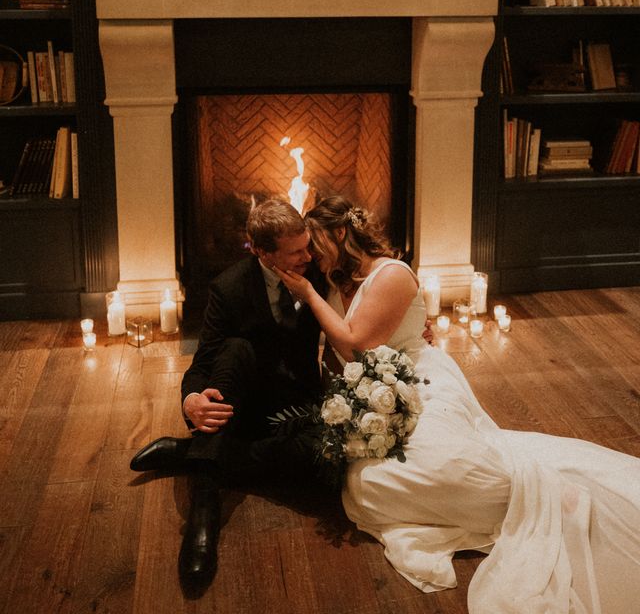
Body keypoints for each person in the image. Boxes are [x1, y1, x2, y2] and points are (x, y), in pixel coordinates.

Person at [276, 195, 640, 614]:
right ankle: (502, 495)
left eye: (314, 245)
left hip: (420, 381)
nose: (308, 257)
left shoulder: (390, 274)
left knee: (446, 463)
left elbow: (357, 345)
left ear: (341, 234)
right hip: (373, 394)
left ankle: (545, 495)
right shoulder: (333, 278)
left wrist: (305, 290)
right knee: (366, 488)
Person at [129, 198, 326, 593]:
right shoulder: (230, 287)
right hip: (245, 397)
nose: (308, 254)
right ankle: (204, 509)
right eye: (297, 251)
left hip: (299, 401)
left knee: (323, 466)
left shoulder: (320, 272)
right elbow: (204, 360)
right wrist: (190, 400)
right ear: (264, 254)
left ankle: (191, 454)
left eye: (307, 245)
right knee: (234, 349)